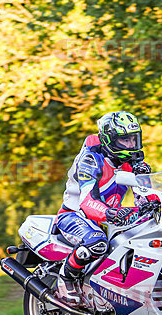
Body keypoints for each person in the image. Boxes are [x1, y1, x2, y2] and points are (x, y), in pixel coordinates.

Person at [53, 111, 152, 305]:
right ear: (109, 139)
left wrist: (152, 202)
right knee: (97, 243)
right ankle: (65, 278)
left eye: (133, 139)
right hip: (76, 216)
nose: (131, 145)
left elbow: (143, 196)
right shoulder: (90, 160)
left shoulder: (133, 162)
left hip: (108, 219)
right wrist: (110, 213)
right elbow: (87, 201)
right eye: (125, 140)